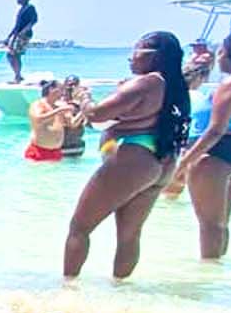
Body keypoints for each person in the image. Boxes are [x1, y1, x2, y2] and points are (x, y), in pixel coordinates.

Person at [64, 31, 191, 280]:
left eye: (137, 49)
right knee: (129, 236)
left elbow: (98, 114)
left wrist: (83, 97)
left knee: (79, 228)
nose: (130, 56)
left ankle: (67, 291)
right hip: (161, 163)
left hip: (135, 159)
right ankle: (121, 293)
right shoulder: (175, 86)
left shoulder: (148, 82)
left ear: (155, 56)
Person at [168, 29, 231, 259]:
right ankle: (216, 279)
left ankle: (207, 274)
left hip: (214, 157)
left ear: (227, 53)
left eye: (219, 50)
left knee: (209, 225)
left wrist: (185, 162)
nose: (217, 56)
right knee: (220, 224)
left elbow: (215, 129)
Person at [25, 81, 78, 162]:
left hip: (56, 152)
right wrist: (59, 110)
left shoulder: (60, 106)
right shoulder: (38, 104)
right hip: (39, 151)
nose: (63, 93)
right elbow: (38, 119)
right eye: (61, 89)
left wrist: (83, 113)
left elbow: (72, 124)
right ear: (51, 89)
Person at [5, 0, 38, 83]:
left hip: (24, 35)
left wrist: (24, 31)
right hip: (17, 35)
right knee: (11, 55)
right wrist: (9, 37)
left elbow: (34, 20)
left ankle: (17, 77)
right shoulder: (21, 9)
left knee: (14, 54)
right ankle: (18, 76)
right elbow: (17, 25)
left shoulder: (30, 7)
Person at [59, 75, 91, 157]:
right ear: (64, 86)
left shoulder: (80, 103)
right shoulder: (59, 103)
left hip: (77, 145)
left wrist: (87, 100)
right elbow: (72, 124)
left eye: (75, 85)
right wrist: (84, 109)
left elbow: (90, 123)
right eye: (69, 85)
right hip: (62, 146)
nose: (72, 87)